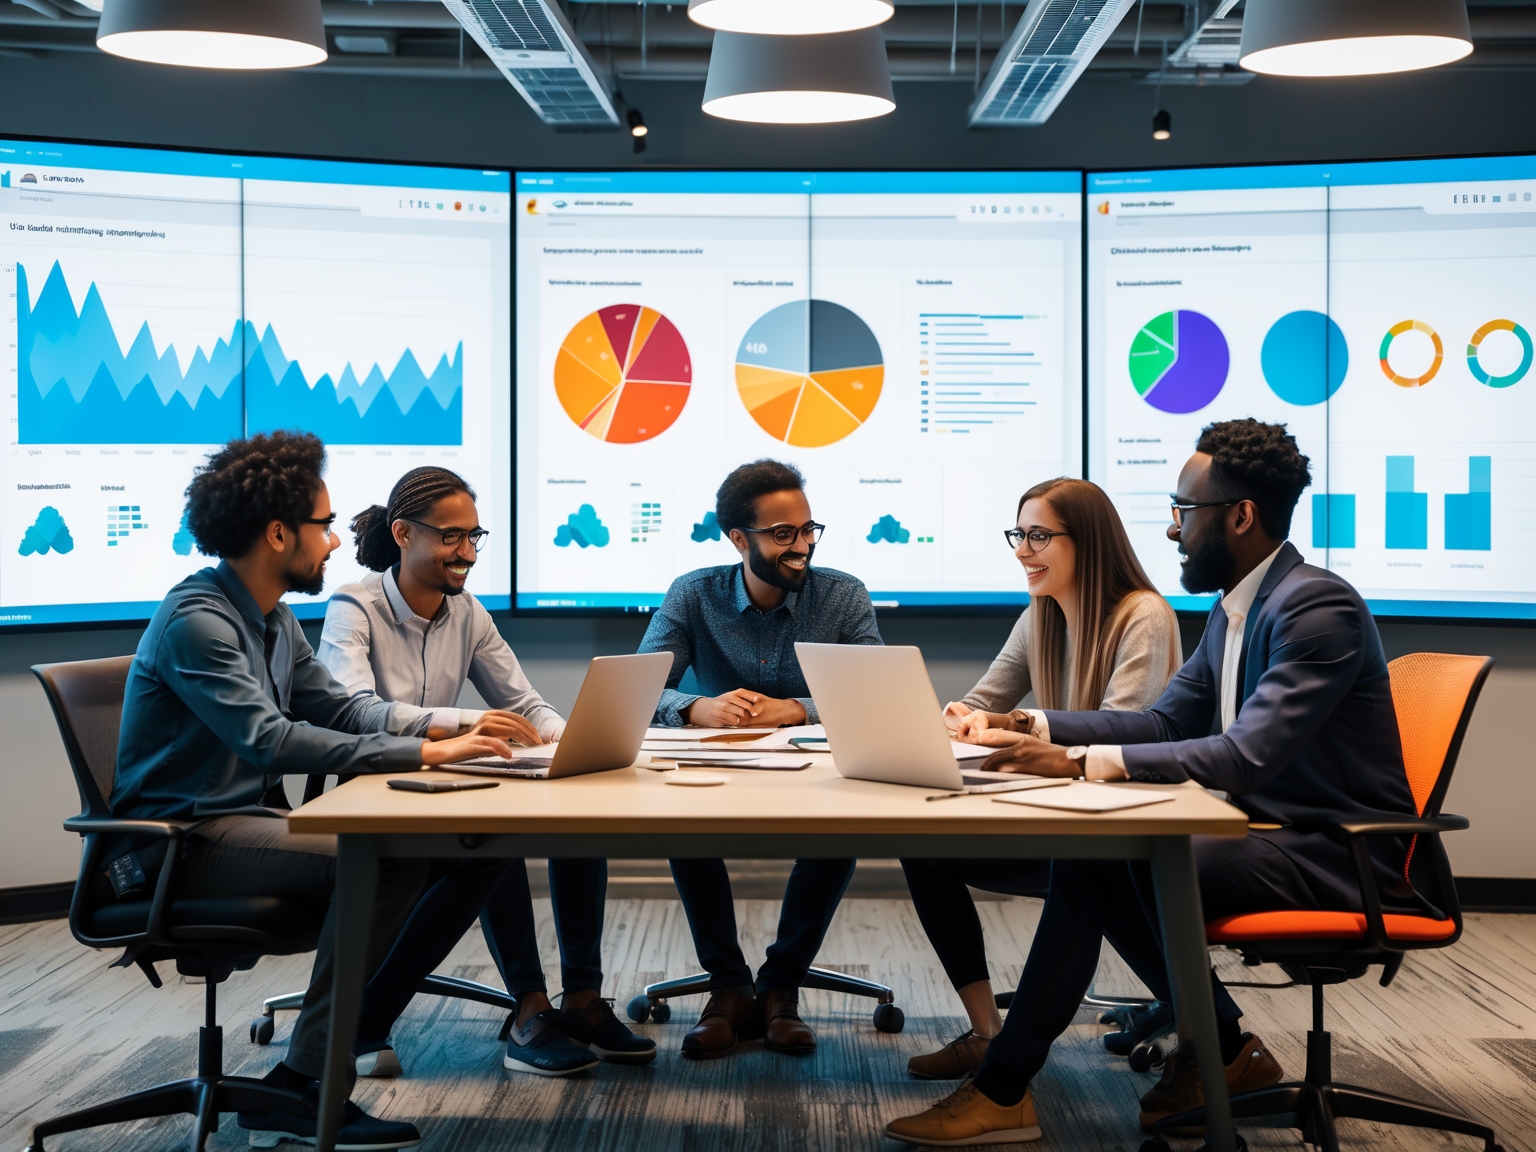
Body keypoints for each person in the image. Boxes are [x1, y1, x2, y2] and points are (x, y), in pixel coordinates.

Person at [886, 418, 1428, 1146]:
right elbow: (1166, 725)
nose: (1172, 531)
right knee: (1109, 854)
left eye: (1184, 511)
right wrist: (1036, 728)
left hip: (1331, 856)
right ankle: (1224, 1054)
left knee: (1102, 856)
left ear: (1239, 516)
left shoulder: (1313, 608)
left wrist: (1081, 762)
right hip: (1265, 835)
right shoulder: (1240, 610)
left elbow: (1243, 757)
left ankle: (1007, 1087)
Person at [112, 433, 516, 1151]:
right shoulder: (199, 622)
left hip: (242, 825)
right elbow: (268, 739)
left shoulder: (270, 621)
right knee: (389, 856)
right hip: (183, 840)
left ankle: (306, 1074)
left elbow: (342, 709)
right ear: (277, 533)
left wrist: (434, 746)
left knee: (455, 849)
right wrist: (424, 748)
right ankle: (304, 1082)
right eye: (323, 526)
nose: (334, 543)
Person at [319, 466, 654, 1078]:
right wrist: (462, 723)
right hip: (382, 793)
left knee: (578, 817)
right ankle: (522, 1010)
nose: (467, 553)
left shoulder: (467, 612)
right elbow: (352, 711)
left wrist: (568, 737)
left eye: (475, 537)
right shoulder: (354, 605)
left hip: (448, 786)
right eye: (452, 537)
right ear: (402, 534)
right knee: (492, 842)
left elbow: (523, 702)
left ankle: (578, 1000)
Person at [899, 477, 1181, 1080]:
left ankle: (1214, 1027)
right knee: (923, 848)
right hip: (1063, 823)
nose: (1023, 551)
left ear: (1089, 542)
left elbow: (1123, 732)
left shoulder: (1144, 617)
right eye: (1018, 535)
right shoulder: (1041, 616)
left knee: (1088, 869)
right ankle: (986, 1032)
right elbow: (983, 700)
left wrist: (1018, 730)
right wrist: (959, 719)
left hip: (1125, 830)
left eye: (1038, 536)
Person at [637, 459, 882, 1059]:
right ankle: (728, 987)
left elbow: (876, 691)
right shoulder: (694, 593)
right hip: (718, 766)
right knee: (681, 823)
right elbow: (641, 688)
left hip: (817, 770)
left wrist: (795, 709)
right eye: (783, 535)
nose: (801, 546)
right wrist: (696, 710)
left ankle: (778, 987)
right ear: (738, 539)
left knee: (843, 827)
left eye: (807, 530)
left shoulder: (843, 595)